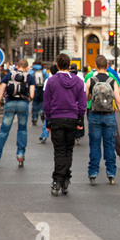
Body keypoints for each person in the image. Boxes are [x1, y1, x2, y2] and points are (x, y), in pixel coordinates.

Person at [43, 54, 87, 196]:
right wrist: (80, 117)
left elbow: (47, 103)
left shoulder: (51, 81)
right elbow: (83, 102)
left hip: (56, 117)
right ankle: (65, 179)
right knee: (69, 150)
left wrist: (48, 119)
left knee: (59, 150)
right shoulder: (79, 81)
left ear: (56, 65)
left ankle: (57, 180)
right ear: (69, 65)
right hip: (72, 118)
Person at [85, 55, 120, 186]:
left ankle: (93, 173)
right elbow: (118, 99)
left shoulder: (91, 80)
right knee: (109, 144)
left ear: (96, 66)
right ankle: (111, 173)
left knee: (95, 145)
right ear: (107, 66)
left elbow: (85, 98)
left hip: (94, 114)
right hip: (109, 115)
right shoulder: (112, 80)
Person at [0, 59, 35, 168]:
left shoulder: (9, 76)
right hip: (23, 104)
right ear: (26, 67)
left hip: (10, 104)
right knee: (22, 130)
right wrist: (25, 101)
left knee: (4, 131)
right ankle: (20, 155)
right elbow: (32, 95)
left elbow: (1, 92)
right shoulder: (29, 77)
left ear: (17, 66)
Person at [38, 64, 59, 144]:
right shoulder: (60, 80)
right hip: (58, 103)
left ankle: (44, 136)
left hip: (50, 103)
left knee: (47, 119)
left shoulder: (48, 80)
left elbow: (45, 94)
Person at [29, 60, 49, 125]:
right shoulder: (43, 71)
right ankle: (41, 111)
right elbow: (47, 79)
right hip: (42, 89)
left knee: (34, 103)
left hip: (34, 89)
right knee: (41, 102)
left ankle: (34, 118)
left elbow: (28, 80)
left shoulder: (31, 71)